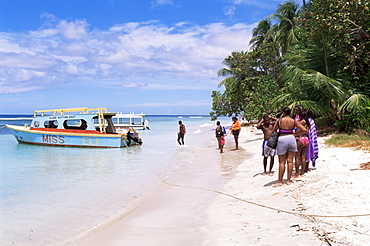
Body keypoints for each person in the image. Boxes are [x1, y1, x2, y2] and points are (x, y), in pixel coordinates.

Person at [275, 107, 308, 186]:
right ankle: (288, 180)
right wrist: (295, 134)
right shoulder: (294, 121)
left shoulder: (279, 120)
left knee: (282, 162)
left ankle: (280, 181)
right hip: (291, 139)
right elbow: (305, 130)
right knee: (290, 161)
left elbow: (274, 130)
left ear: (283, 113)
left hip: (282, 138)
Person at [294, 110, 310, 177]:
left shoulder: (301, 122)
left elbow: (295, 125)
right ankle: (302, 172)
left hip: (300, 139)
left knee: (297, 157)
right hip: (306, 139)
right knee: (303, 157)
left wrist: (295, 134)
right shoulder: (308, 122)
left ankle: (297, 173)